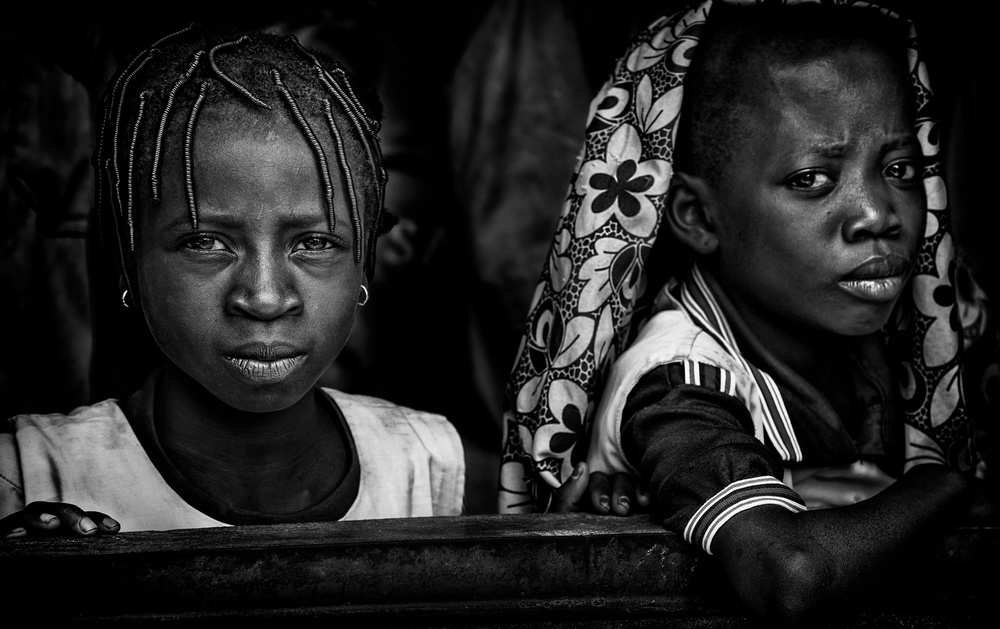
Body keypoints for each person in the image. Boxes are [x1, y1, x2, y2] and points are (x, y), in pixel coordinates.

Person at [500, 0, 998, 624]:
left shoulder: (872, 340)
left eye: (899, 169)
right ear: (699, 217)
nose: (879, 214)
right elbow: (791, 574)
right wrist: (946, 487)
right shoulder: (676, 381)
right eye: (812, 179)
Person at [0, 23, 465, 537]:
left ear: (363, 263)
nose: (265, 298)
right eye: (204, 242)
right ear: (129, 261)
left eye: (313, 243)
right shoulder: (26, 473)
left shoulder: (425, 460)